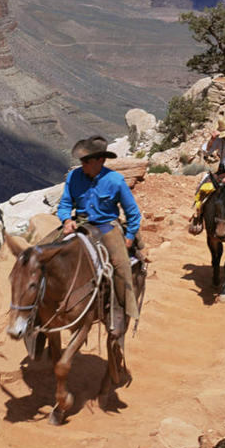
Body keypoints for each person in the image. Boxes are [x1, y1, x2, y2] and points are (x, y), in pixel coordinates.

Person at [57, 135, 142, 335]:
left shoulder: (115, 181)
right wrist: (66, 220)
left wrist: (129, 236)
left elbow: (132, 213)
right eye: (82, 160)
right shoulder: (73, 177)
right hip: (79, 223)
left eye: (87, 160)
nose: (83, 164)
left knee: (121, 265)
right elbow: (65, 204)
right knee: (45, 251)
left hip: (106, 226)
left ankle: (122, 310)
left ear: (100, 161)